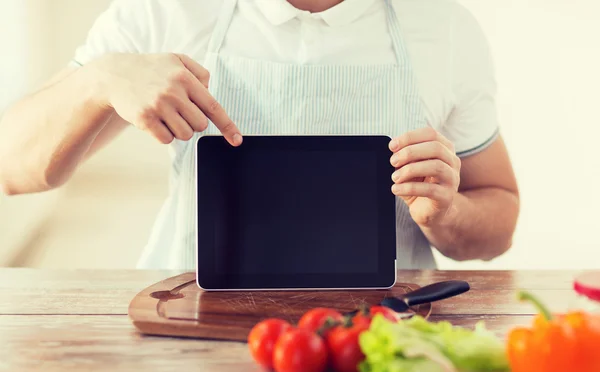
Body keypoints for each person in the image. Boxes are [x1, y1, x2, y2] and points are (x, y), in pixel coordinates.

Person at [0, 0, 519, 271]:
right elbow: (11, 165)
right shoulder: (164, 10)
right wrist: (99, 80)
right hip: (185, 331)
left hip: (378, 339)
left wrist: (448, 214)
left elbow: (498, 220)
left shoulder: (445, 28)